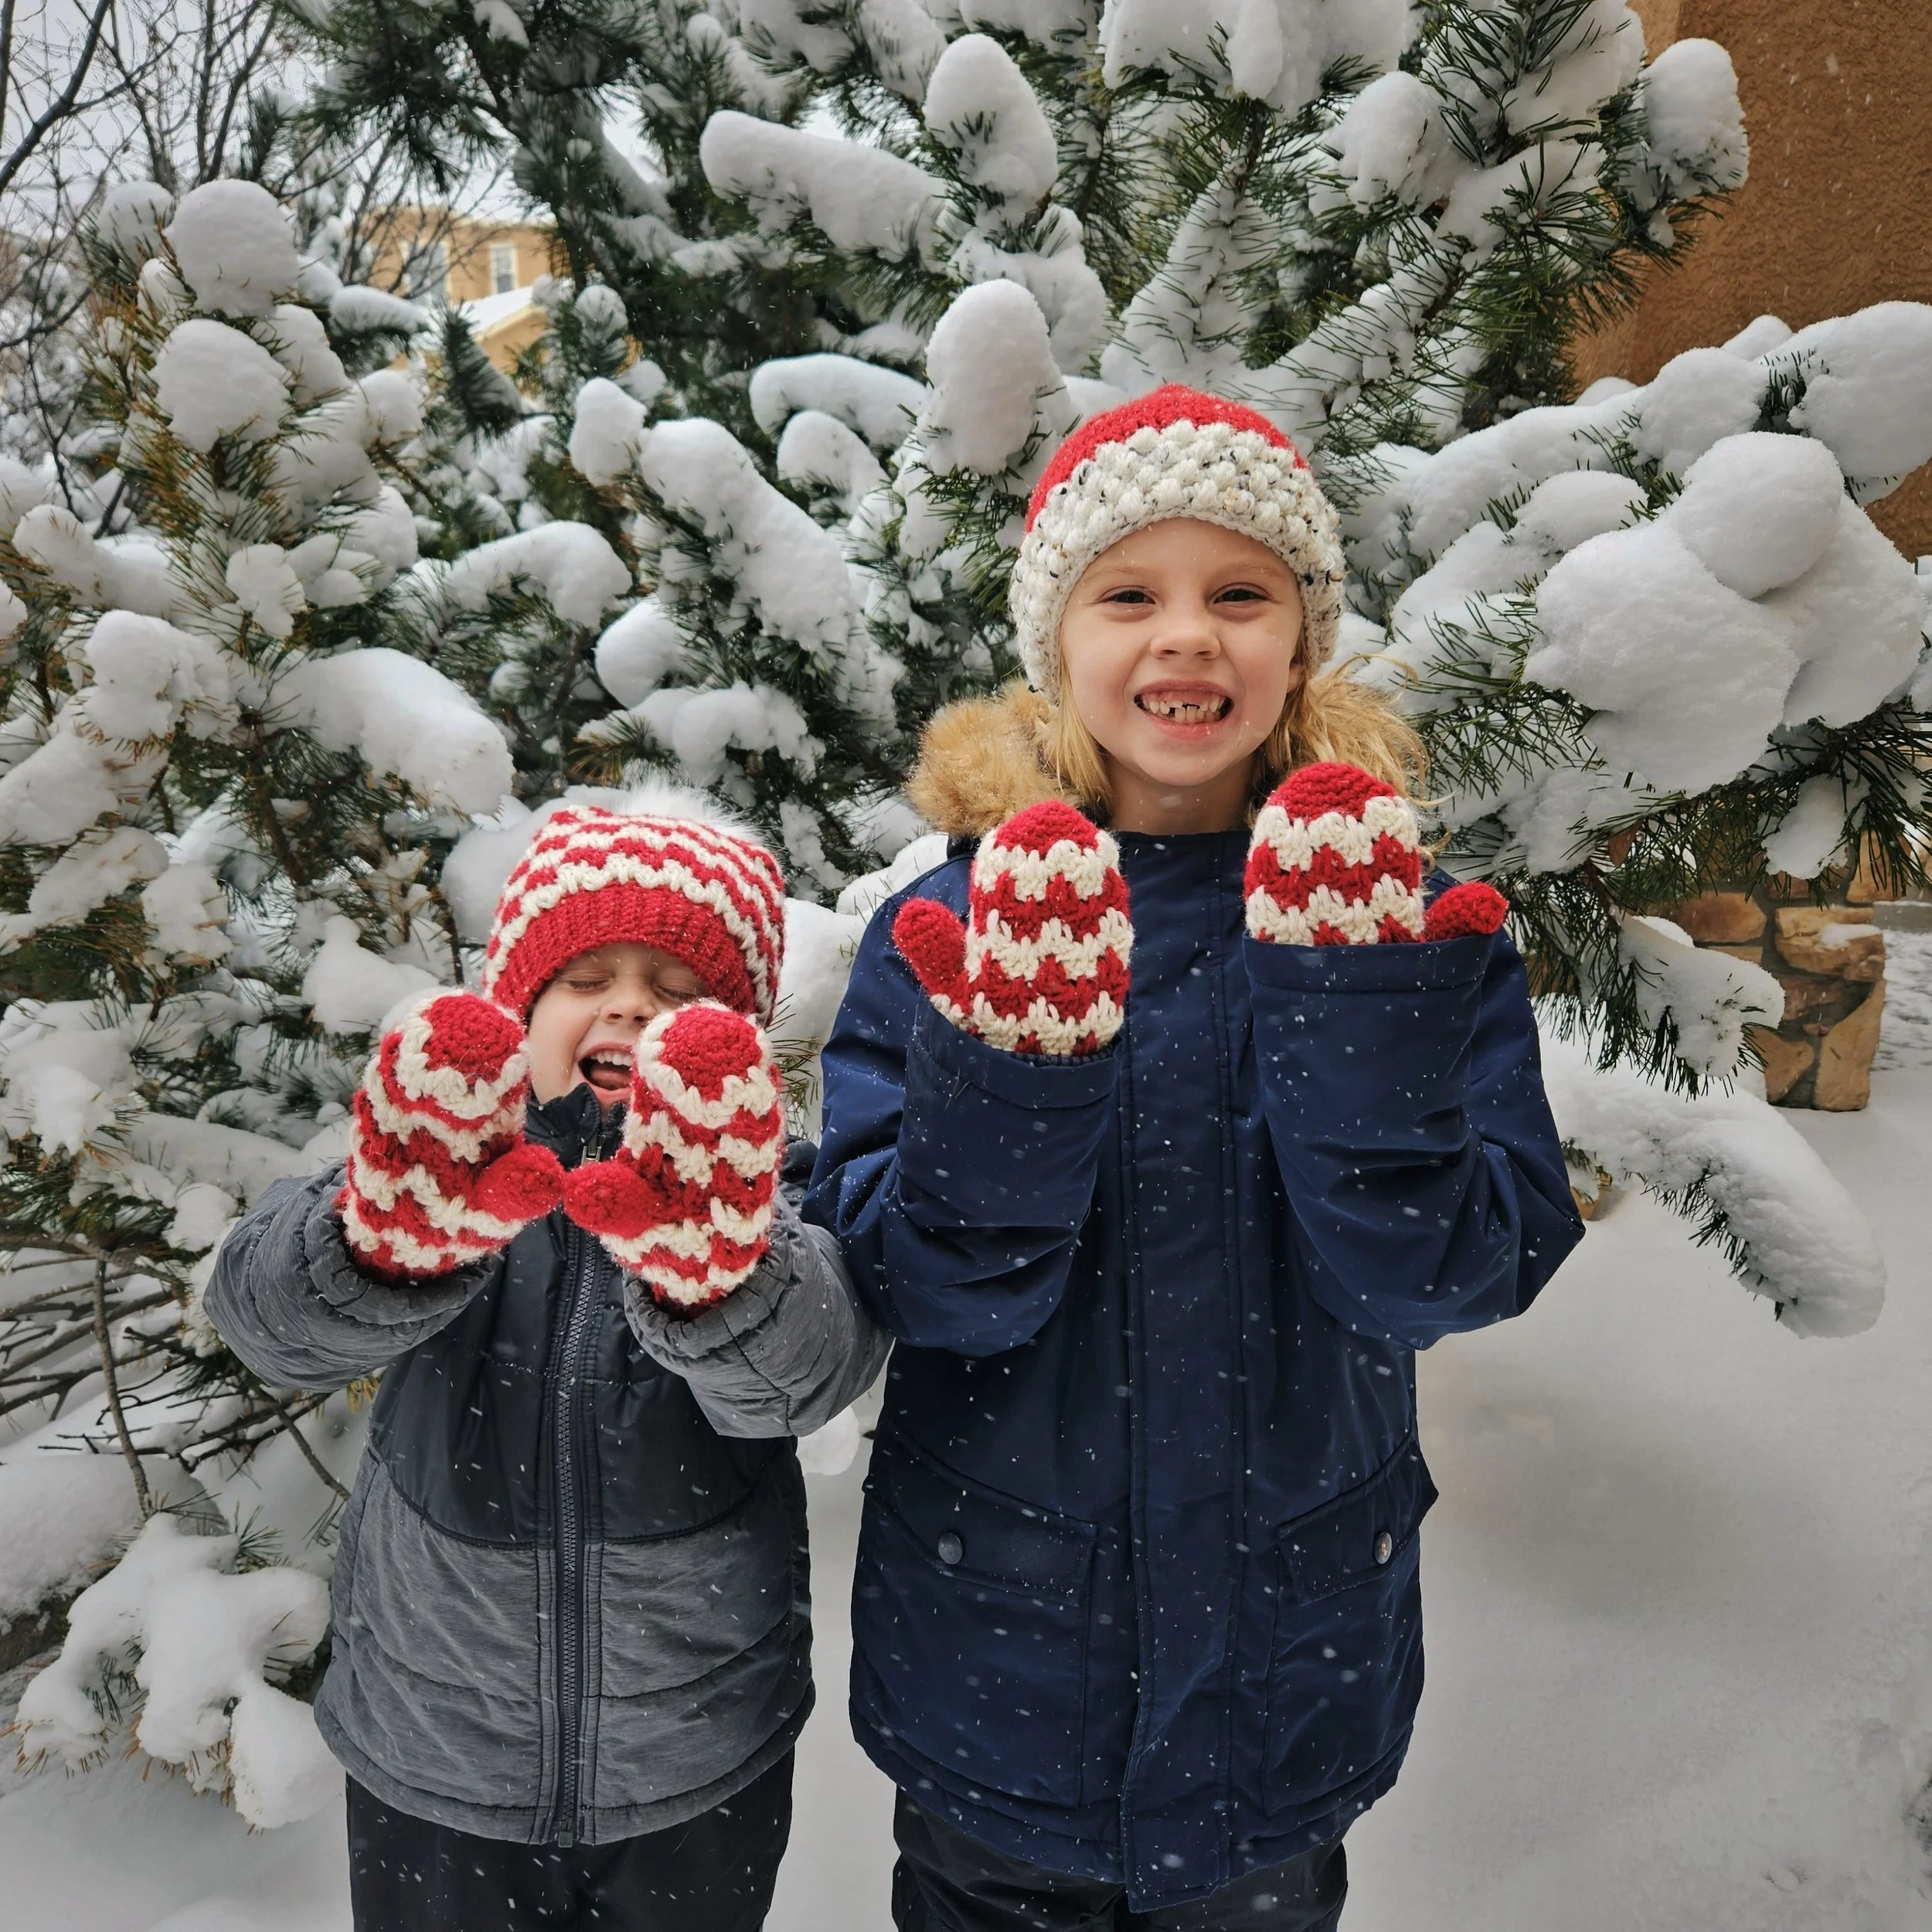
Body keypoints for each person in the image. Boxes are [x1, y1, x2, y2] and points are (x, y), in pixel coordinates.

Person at [806, 386, 1586, 1930]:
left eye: (1239, 592)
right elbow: (904, 1274)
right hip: (999, 1666)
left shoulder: (1399, 918)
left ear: (1299, 641)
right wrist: (1012, 1078)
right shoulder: (949, 928)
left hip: (1281, 1665)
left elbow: (1469, 1261)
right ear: (1057, 646)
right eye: (1127, 594)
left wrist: (1356, 1036)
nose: (1185, 636)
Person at [207, 788, 889, 1932]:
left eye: (678, 993)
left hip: (693, 1759)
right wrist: (380, 1248)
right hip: (437, 1757)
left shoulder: (767, 1202)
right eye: (586, 981)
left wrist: (715, 1271)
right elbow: (268, 1321)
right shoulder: (433, 1172)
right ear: (517, 1008)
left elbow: (803, 1378)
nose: (629, 1007)